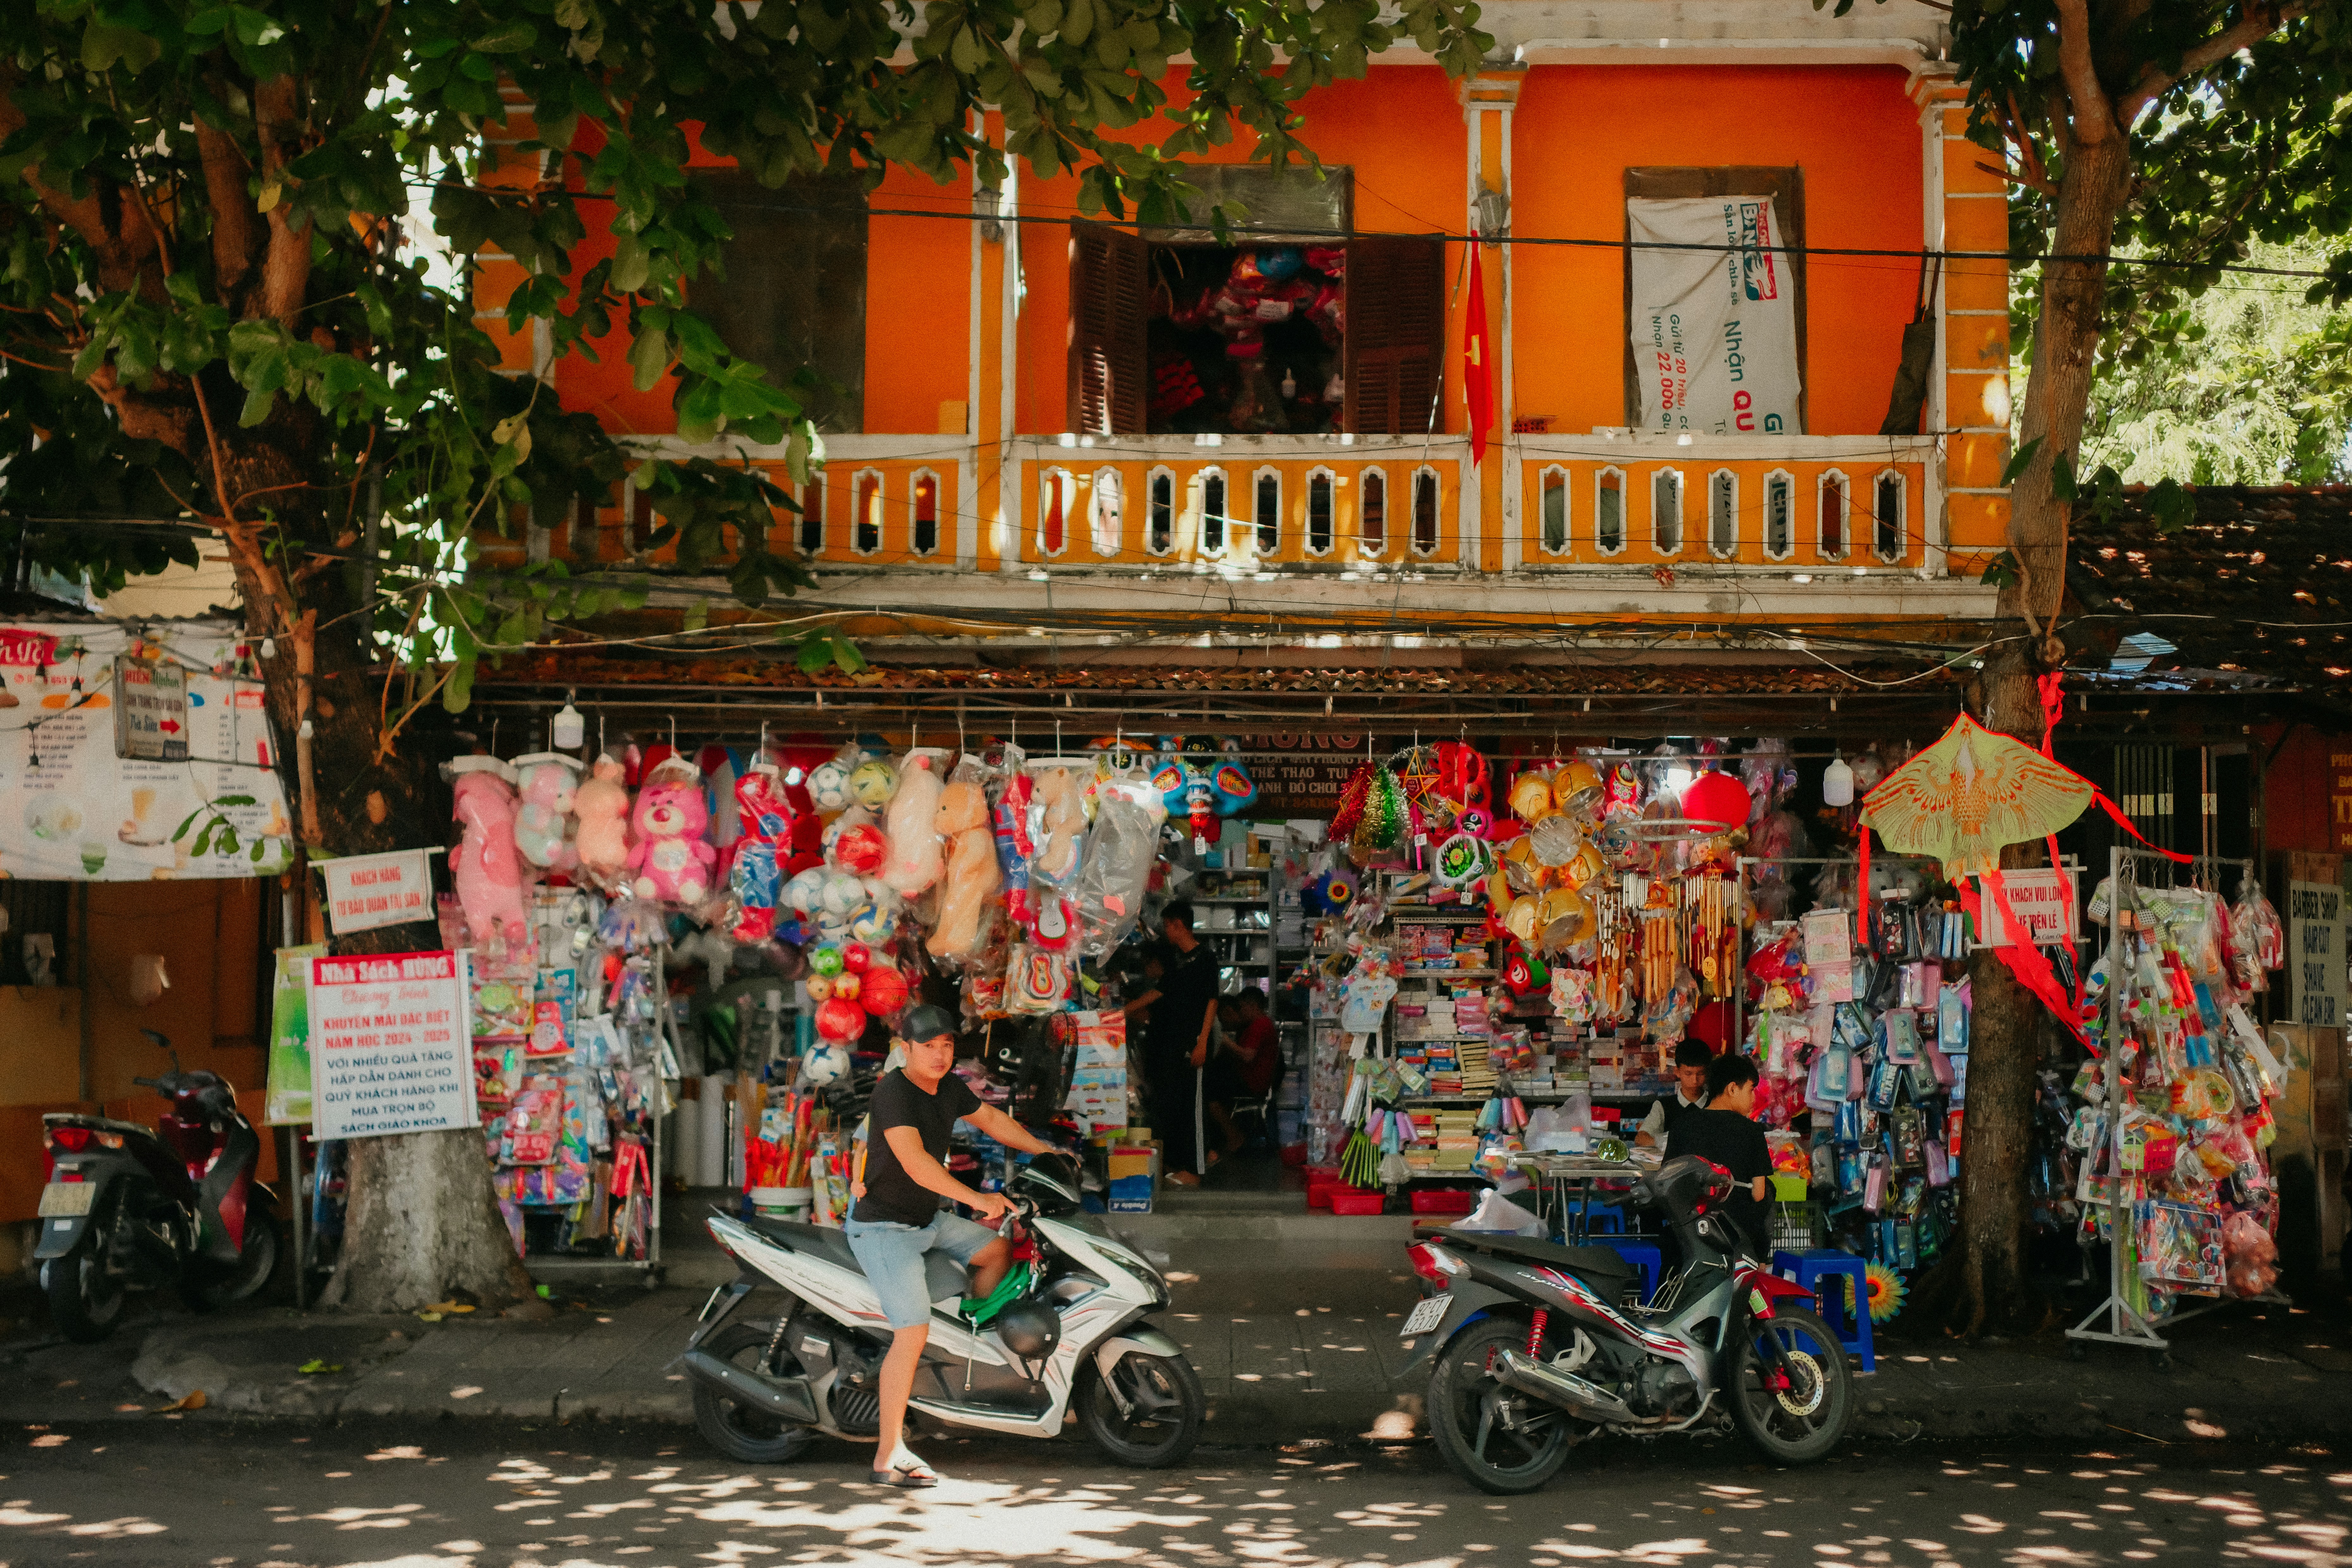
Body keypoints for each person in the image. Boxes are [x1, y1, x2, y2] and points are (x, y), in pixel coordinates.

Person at [845, 1003, 1061, 1489]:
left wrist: (1051, 1153)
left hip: (926, 1219)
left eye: (947, 1046)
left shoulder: (949, 1087)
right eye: (929, 1047)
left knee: (995, 1252)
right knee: (912, 1330)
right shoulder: (892, 1093)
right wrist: (978, 1198)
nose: (940, 1055)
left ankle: (965, 1353)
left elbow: (992, 1121)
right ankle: (888, 1453)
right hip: (883, 1228)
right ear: (906, 1050)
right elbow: (917, 1163)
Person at [1120, 899, 1219, 1185]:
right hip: (1179, 1045)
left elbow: (1212, 1001)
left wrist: (1202, 1042)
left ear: (1178, 924)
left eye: (1167, 925)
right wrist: (1119, 1013)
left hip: (1195, 1043)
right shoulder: (1180, 962)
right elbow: (1158, 993)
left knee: (1196, 1108)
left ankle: (1197, 1172)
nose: (1166, 931)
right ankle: (1184, 1166)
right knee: (1181, 1106)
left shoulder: (1205, 959)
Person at [1663, 1050, 1773, 1260]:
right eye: (1751, 1090)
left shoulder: (1682, 1125)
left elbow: (1668, 1179)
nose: (1753, 1099)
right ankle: (1759, 1262)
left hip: (1689, 1236)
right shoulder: (1752, 1131)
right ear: (1733, 1088)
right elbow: (1758, 1194)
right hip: (1735, 1238)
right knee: (1769, 1190)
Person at [1204, 984, 1280, 1156]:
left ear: (1252, 1006)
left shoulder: (1260, 1025)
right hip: (1249, 1078)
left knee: (1210, 1093)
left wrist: (1225, 1041)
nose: (1241, 1012)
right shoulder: (1258, 1025)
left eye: (1242, 1007)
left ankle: (1234, 1137)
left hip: (1252, 1081)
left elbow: (1248, 1056)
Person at [1635, 1038, 1715, 1149]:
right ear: (1677, 1072)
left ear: (1707, 1072)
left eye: (1700, 1074)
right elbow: (1641, 1139)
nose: (1695, 1080)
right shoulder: (1663, 1106)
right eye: (1688, 1074)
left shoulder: (1716, 1102)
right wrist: (1667, 1143)